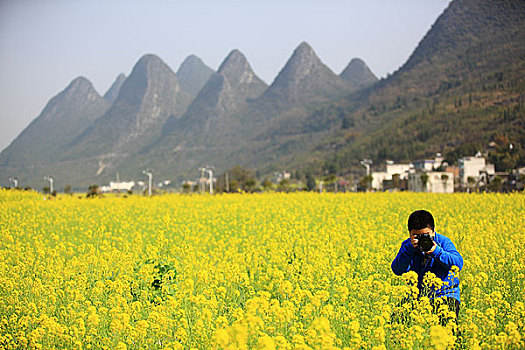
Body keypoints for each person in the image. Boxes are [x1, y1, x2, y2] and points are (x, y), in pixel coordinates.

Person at [391, 210, 464, 322]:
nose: (422, 240)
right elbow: (397, 269)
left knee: (448, 327)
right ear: (410, 233)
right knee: (395, 322)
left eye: (426, 235)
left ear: (434, 231)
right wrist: (409, 250)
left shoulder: (443, 242)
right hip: (417, 297)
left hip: (445, 295)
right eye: (417, 236)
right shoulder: (408, 245)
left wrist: (437, 252)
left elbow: (458, 264)